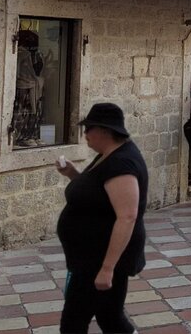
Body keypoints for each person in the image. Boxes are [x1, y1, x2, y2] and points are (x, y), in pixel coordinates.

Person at [56, 103, 148, 333]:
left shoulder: (121, 163)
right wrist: (73, 174)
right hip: (91, 257)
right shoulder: (108, 156)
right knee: (109, 317)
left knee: (75, 322)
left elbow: (127, 217)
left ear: (105, 131)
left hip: (99, 259)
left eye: (89, 128)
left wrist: (107, 268)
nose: (85, 134)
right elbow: (98, 194)